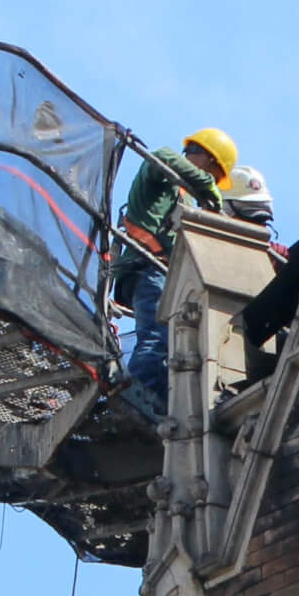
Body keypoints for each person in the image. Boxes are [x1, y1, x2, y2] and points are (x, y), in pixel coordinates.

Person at [114, 126, 235, 409]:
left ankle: (156, 400)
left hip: (160, 274)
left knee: (168, 346)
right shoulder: (163, 177)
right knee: (156, 341)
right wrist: (207, 186)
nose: (214, 183)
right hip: (147, 267)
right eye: (215, 176)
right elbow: (163, 155)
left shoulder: (181, 195)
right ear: (206, 160)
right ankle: (136, 399)